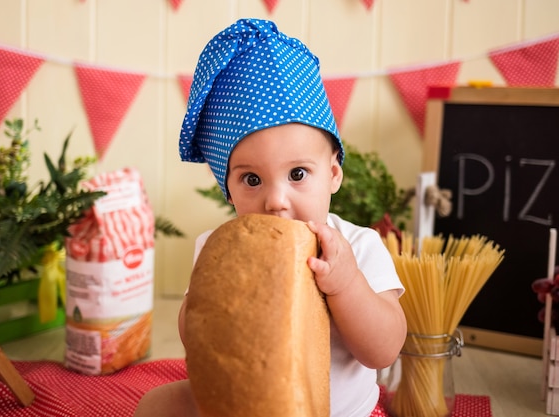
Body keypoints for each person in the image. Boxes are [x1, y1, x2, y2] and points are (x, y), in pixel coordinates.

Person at [135, 18, 407, 417]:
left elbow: (383, 350)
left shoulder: (358, 246)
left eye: (298, 174)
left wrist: (346, 283)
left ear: (332, 174)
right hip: (247, 402)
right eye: (251, 179)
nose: (276, 201)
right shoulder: (218, 249)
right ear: (227, 189)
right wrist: (217, 297)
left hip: (337, 411)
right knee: (158, 404)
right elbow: (195, 341)